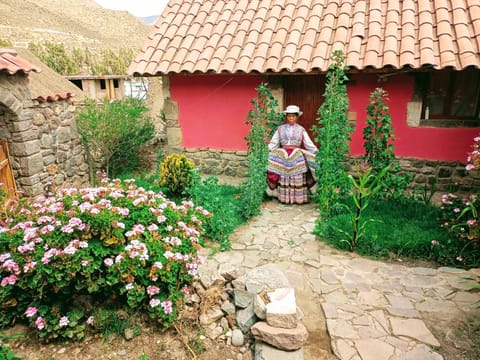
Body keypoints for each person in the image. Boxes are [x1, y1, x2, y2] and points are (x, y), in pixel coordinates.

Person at [266, 105, 318, 204]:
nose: (291, 118)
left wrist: (315, 152)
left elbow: (308, 143)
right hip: (283, 154)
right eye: (289, 116)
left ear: (297, 117)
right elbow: (274, 143)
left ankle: (297, 198)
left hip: (296, 155)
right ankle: (284, 197)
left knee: (298, 173)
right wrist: (267, 151)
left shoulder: (301, 129)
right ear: (286, 117)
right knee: (280, 170)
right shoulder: (280, 129)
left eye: (293, 116)